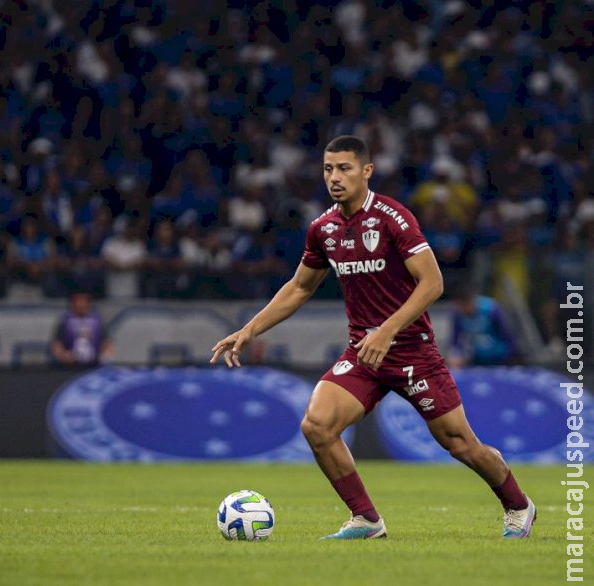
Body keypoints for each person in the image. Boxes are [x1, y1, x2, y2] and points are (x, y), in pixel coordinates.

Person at [211, 136, 535, 540]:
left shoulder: (393, 218)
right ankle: (366, 519)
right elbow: (298, 287)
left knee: (461, 444)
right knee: (317, 425)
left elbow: (432, 283)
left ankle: (518, 505)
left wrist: (388, 330)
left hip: (413, 351)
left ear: (367, 171)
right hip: (364, 353)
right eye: (328, 169)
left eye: (344, 168)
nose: (334, 177)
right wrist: (249, 330)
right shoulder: (323, 228)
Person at [448, 285, 518, 368]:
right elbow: (455, 339)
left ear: (471, 300)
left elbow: (508, 335)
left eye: (465, 306)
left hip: (500, 359)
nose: (464, 310)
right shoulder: (458, 314)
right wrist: (455, 355)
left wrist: (509, 358)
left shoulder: (491, 309)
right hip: (478, 360)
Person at [50, 289, 114, 366]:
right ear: (73, 303)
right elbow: (57, 345)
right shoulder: (65, 322)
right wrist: (63, 355)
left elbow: (107, 344)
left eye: (84, 301)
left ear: (89, 303)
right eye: (78, 301)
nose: (81, 304)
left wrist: (105, 357)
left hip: (94, 365)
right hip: (69, 365)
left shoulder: (98, 321)